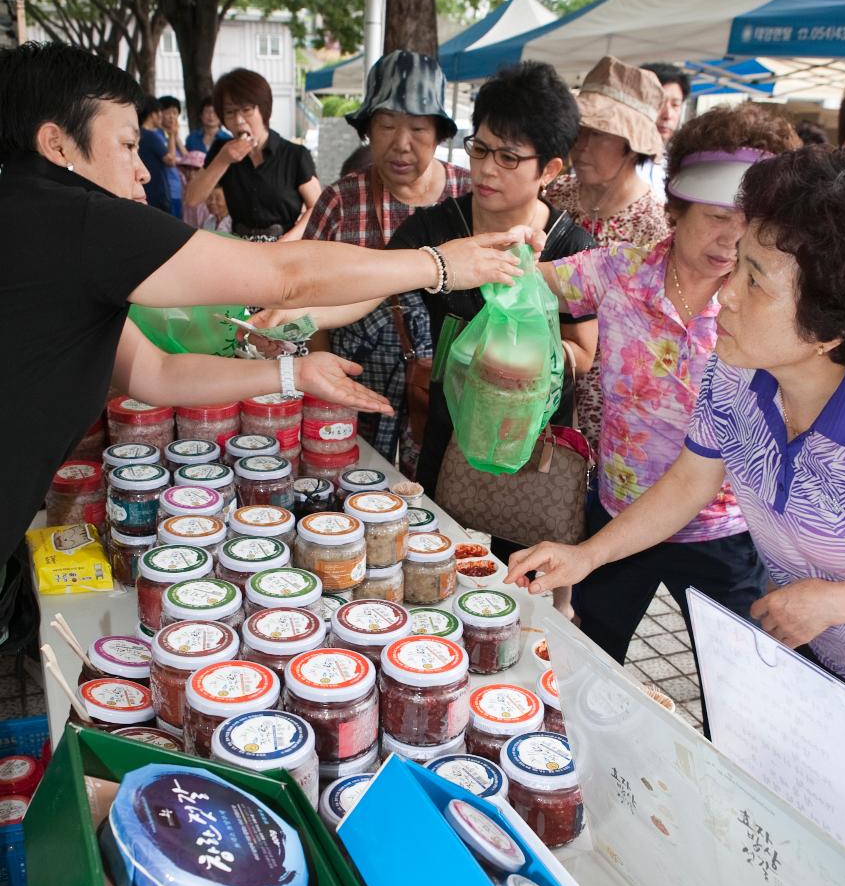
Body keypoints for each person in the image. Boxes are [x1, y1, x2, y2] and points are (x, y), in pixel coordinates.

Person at [0, 41, 534, 578]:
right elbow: (286, 276)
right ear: (56, 143)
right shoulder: (81, 221)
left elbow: (156, 373)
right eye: (127, 145)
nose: (143, 172)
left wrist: (293, 370)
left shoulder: (34, 214)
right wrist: (438, 265)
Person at [508, 146, 845, 695]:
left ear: (831, 326)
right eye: (737, 265)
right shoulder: (735, 376)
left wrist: (838, 600)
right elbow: (692, 480)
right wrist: (586, 555)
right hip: (819, 666)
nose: (729, 295)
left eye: (756, 281)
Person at [384, 62, 596, 517]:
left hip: (532, 437)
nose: (485, 169)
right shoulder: (440, 228)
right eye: (479, 149)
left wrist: (510, 354)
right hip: (451, 424)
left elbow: (583, 351)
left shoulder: (571, 248)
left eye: (508, 157)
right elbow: (378, 280)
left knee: (520, 566)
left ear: (550, 168)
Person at [268, 50, 470, 472]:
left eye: (417, 128)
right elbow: (310, 291)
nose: (401, 144)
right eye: (386, 126)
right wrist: (329, 380)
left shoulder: (467, 197)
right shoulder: (340, 200)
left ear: (438, 133)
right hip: (353, 383)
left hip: (445, 393)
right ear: (368, 130)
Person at [546, 57, 671, 452]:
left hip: (619, 409)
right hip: (546, 383)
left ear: (631, 145)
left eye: (598, 134)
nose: (580, 145)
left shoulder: (655, 227)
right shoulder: (554, 196)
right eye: (579, 130)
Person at [184, 68, 321, 239]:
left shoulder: (295, 155)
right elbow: (192, 199)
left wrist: (287, 240)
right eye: (230, 112)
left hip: (285, 247)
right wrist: (223, 160)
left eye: (246, 110)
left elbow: (318, 209)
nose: (239, 120)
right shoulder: (222, 150)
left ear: (263, 110)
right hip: (240, 248)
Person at [639, 62, 692, 199]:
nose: (668, 114)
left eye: (675, 105)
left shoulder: (679, 166)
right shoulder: (616, 162)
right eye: (660, 103)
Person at [138, 94, 173, 212]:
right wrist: (172, 134)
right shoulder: (151, 136)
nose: (161, 117)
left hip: (144, 190)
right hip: (157, 191)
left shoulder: (138, 134)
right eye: (160, 113)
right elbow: (171, 160)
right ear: (153, 114)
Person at [158, 95, 186, 218]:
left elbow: (188, 159)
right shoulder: (157, 136)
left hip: (179, 191)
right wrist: (173, 136)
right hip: (166, 191)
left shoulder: (174, 136)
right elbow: (172, 160)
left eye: (175, 113)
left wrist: (176, 136)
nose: (172, 117)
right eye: (168, 112)